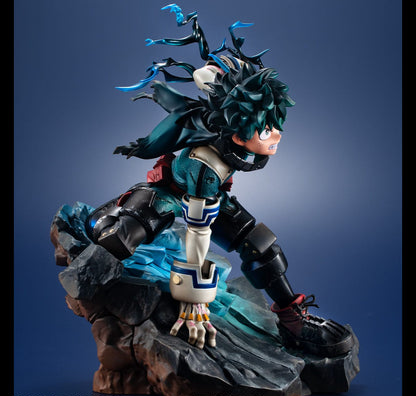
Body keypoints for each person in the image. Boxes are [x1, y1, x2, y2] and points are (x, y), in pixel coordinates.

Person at [86, 4, 353, 356]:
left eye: (276, 124)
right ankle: (107, 216)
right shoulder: (206, 165)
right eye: (266, 129)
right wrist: (194, 303)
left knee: (262, 247)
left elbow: (210, 75)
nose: (276, 135)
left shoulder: (231, 130)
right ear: (239, 134)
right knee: (116, 238)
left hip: (212, 197)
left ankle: (292, 318)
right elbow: (198, 236)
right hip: (168, 195)